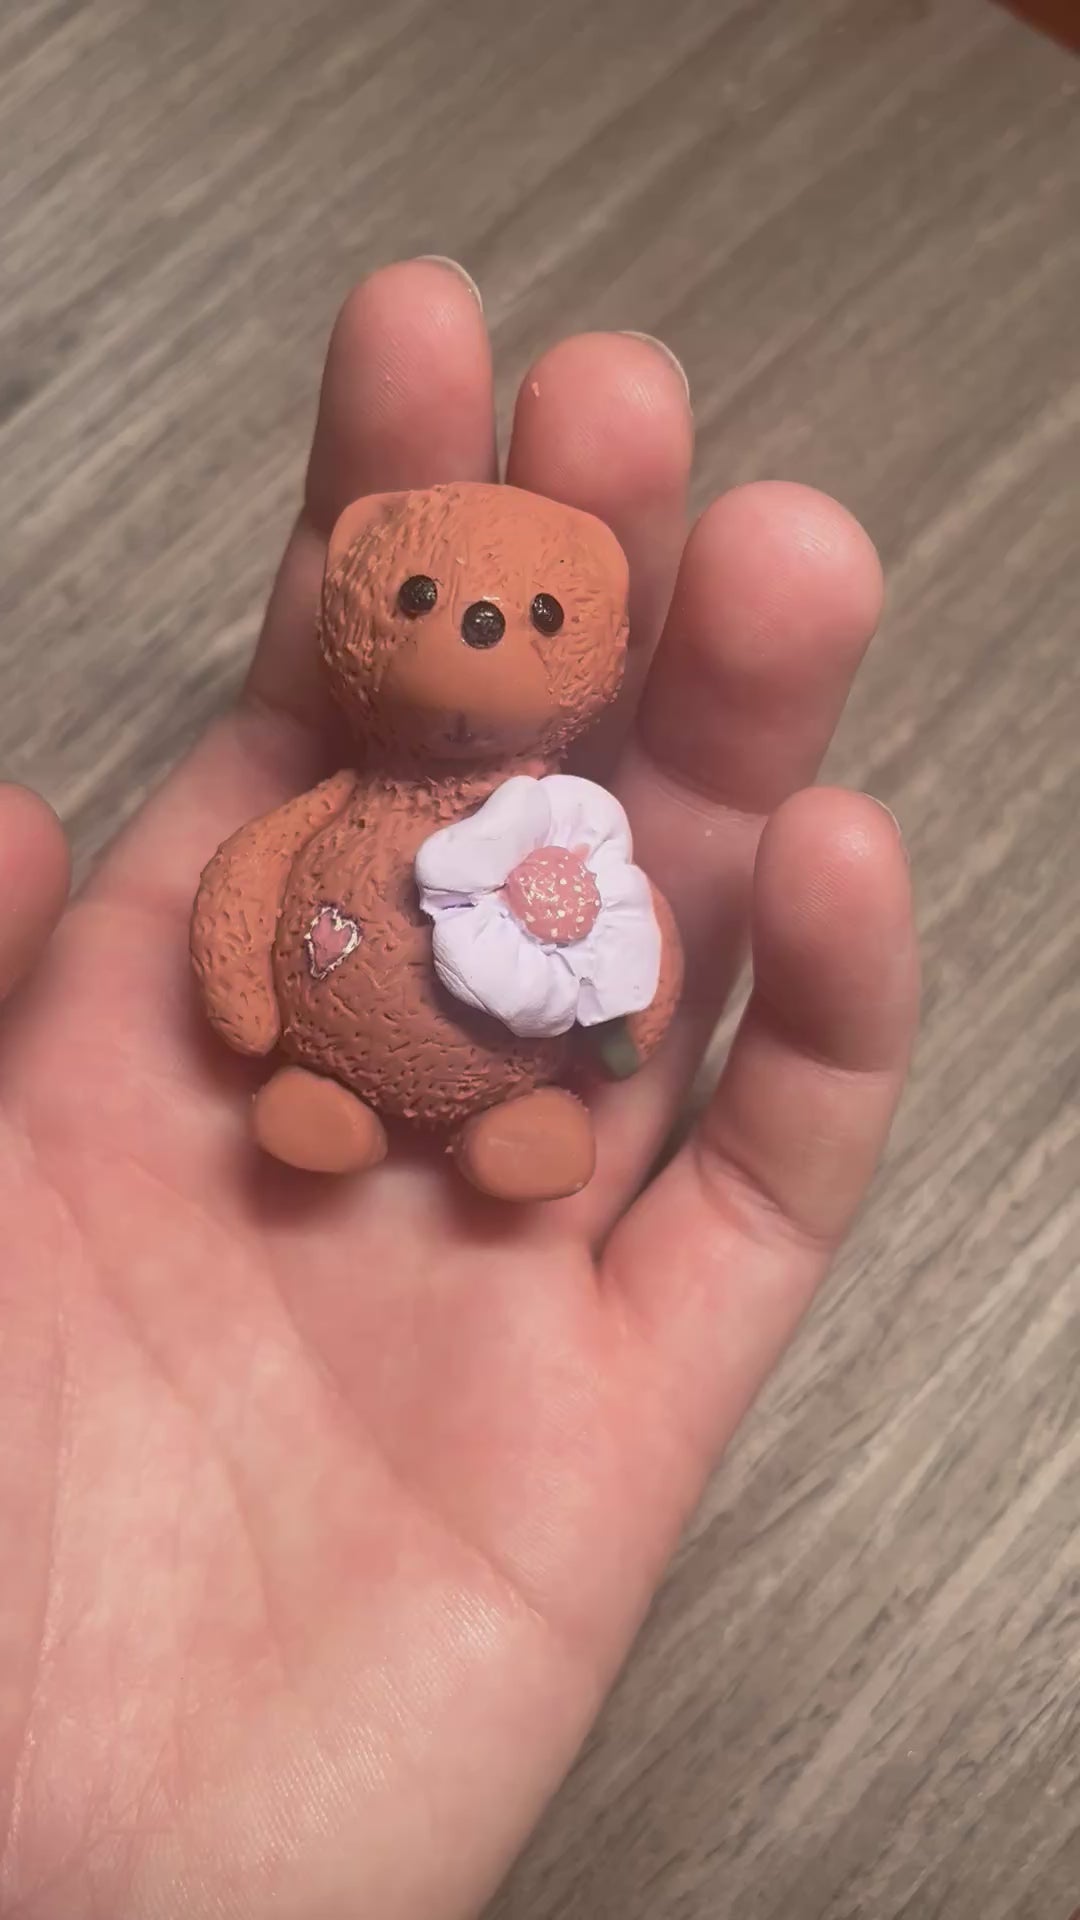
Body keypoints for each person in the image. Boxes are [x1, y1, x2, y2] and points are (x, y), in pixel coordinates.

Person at [0, 258, 917, 1918]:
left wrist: (632, 1019)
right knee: (316, 1089)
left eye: (533, 616)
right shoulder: (344, 797)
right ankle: (344, 1104)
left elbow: (633, 945)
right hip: (323, 1056)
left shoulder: (573, 830)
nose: (479, 630)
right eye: (428, 600)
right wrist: (243, 992)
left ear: (599, 641)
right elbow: (259, 866)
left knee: (553, 1070)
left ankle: (508, 1120)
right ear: (362, 600)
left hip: (517, 1079)